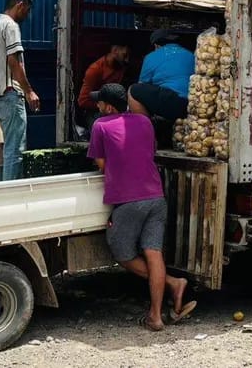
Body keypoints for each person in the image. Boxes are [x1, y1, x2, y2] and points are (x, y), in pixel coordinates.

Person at [87, 83, 196, 330]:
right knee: (153, 253)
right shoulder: (145, 122)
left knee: (122, 253)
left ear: (107, 106)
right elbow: (150, 151)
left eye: (99, 102)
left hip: (129, 201)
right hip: (156, 197)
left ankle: (172, 283)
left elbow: (102, 165)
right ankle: (156, 315)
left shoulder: (100, 126)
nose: (97, 106)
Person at [0, 0, 40, 181]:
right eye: (27, 10)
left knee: (10, 146)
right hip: (9, 94)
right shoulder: (10, 26)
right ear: (20, 4)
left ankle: (7, 188)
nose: (27, 15)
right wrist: (29, 91)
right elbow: (14, 61)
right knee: (15, 150)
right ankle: (11, 192)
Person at [128, 29, 193, 122]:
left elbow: (142, 84)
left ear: (156, 45)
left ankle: (146, 129)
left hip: (170, 102)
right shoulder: (190, 54)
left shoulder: (152, 56)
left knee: (133, 90)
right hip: (192, 103)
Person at [76, 42, 130, 125]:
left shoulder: (121, 67)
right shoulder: (95, 70)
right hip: (97, 110)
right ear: (115, 51)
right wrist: (102, 106)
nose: (127, 60)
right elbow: (83, 101)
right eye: (125, 55)